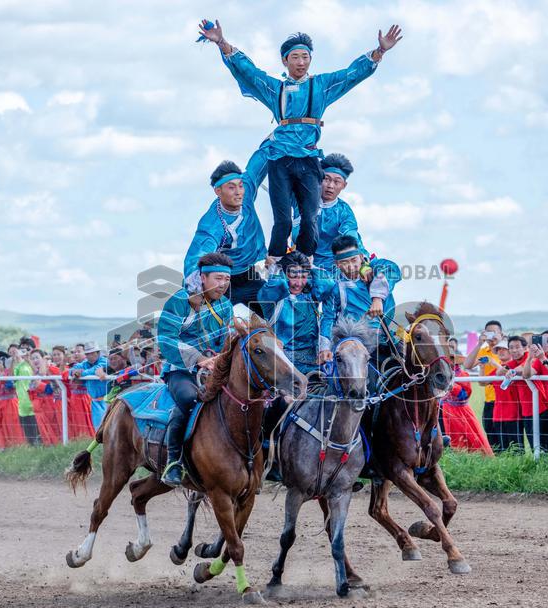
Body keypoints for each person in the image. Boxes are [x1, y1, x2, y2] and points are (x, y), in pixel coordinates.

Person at [199, 20, 402, 266]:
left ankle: (306, 263)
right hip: (280, 159)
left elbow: (350, 75)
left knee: (309, 218)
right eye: (294, 57)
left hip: (307, 158)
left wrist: (378, 52)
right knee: (283, 220)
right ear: (285, 61)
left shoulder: (322, 86)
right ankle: (273, 262)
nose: (301, 62)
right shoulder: (277, 90)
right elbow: (249, 72)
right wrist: (222, 42)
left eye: (305, 57)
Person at [157, 252, 235, 487]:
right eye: (218, 279)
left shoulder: (225, 305)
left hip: (214, 370)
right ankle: (174, 461)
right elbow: (166, 338)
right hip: (180, 369)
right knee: (191, 399)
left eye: (227, 280)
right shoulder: (180, 300)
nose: (223, 285)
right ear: (203, 277)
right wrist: (199, 358)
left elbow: (226, 339)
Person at [183, 148, 270, 311]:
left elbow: (260, 162)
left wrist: (280, 133)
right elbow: (196, 256)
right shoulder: (211, 224)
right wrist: (194, 291)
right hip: (223, 283)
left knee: (276, 313)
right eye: (231, 188)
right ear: (218, 191)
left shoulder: (247, 192)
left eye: (240, 186)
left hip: (250, 276)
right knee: (214, 327)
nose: (238, 192)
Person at [318, 235, 401, 366]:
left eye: (354, 260)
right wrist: (325, 348)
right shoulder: (334, 285)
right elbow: (328, 317)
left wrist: (377, 298)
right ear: (337, 264)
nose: (350, 267)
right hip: (353, 344)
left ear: (361, 257)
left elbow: (393, 269)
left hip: (384, 339)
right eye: (344, 262)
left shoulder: (375, 268)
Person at [290, 153, 366, 274]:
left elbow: (351, 237)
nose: (330, 186)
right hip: (301, 266)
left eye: (337, 182)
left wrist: (363, 263)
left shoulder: (343, 211)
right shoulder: (301, 199)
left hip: (331, 271)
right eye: (326, 179)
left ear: (344, 185)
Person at [256, 251, 327, 375]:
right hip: (283, 367)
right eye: (293, 277)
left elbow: (328, 284)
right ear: (284, 274)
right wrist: (276, 268)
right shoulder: (273, 300)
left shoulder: (311, 297)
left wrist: (312, 266)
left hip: (314, 365)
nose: (298, 283)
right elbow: (278, 284)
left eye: (303, 277)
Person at [464, 320, 505, 452]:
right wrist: (479, 344)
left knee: (507, 438)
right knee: (492, 436)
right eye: (489, 332)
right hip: (490, 401)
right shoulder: (484, 352)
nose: (491, 336)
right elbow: (467, 365)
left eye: (494, 332)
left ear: (501, 334)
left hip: (507, 401)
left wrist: (494, 363)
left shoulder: (507, 351)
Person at [440, 361, 493, 456]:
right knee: (450, 436)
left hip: (460, 411)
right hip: (444, 410)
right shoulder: (441, 373)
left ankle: (468, 457)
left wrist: (452, 386)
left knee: (468, 435)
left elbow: (464, 395)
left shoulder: (462, 375)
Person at [489, 341, 521, 451]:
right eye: (498, 350)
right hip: (498, 414)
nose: (501, 351)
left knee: (516, 448)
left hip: (514, 413)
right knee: (503, 448)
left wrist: (495, 364)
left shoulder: (515, 367)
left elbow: (507, 371)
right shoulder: (495, 370)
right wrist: (482, 366)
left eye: (504, 349)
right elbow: (482, 382)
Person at [70, 344, 109, 431]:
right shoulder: (85, 364)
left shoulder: (104, 361)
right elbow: (72, 370)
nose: (89, 356)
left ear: (98, 353)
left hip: (108, 400)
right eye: (87, 354)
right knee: (99, 429)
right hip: (95, 401)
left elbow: (96, 369)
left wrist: (81, 373)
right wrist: (74, 372)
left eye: (92, 353)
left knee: (109, 427)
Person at [29, 349, 62, 445]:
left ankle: (58, 446)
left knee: (55, 427)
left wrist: (41, 385)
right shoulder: (33, 375)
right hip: (39, 406)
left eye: (37, 357)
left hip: (52, 403)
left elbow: (54, 388)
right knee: (44, 429)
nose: (35, 360)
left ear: (43, 359)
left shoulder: (52, 369)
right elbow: (32, 389)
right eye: (32, 359)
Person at [8, 345, 39, 445]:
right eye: (11, 352)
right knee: (27, 427)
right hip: (22, 401)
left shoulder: (30, 362)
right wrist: (13, 360)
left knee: (36, 426)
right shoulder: (16, 367)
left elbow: (38, 373)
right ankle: (31, 446)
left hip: (34, 398)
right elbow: (11, 377)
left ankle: (40, 445)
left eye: (15, 351)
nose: (15, 354)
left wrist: (28, 359)